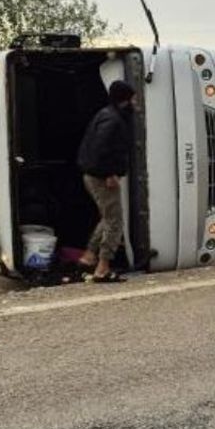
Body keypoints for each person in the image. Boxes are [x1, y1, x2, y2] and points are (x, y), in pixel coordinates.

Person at [76, 80, 136, 283]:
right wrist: (110, 173)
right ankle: (102, 268)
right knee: (115, 221)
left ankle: (89, 256)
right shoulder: (114, 120)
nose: (136, 102)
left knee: (108, 217)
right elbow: (101, 148)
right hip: (102, 177)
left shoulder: (106, 114)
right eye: (133, 98)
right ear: (125, 99)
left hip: (93, 175)